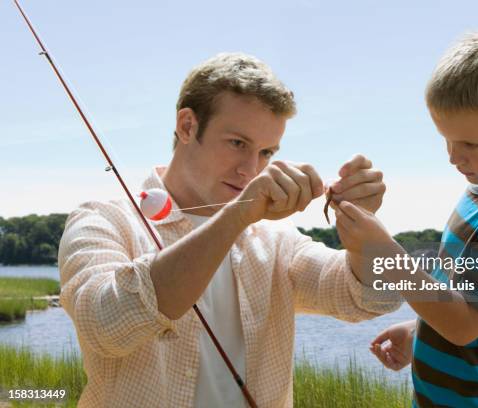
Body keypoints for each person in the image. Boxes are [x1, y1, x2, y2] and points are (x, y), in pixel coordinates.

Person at [58, 53, 400, 408]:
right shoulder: (102, 220)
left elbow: (369, 299)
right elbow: (104, 326)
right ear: (187, 126)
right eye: (238, 143)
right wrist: (237, 215)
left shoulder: (277, 241)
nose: (250, 170)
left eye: (266, 152)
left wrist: (363, 234)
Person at [331, 30, 478, 407]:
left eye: (469, 143)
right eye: (446, 139)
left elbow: (465, 324)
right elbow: (464, 296)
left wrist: (384, 254)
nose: (454, 156)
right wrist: (420, 331)